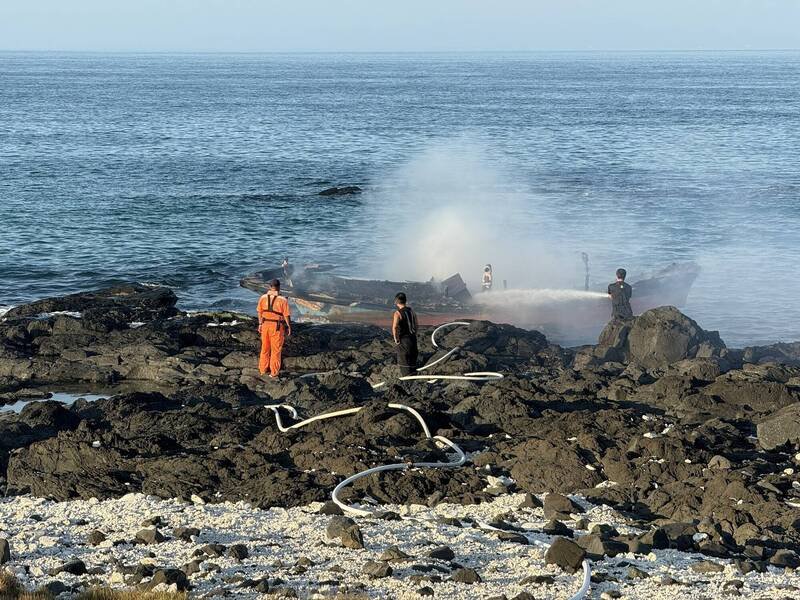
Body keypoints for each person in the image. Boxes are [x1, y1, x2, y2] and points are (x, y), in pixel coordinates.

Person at [257, 278, 292, 378]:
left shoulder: (263, 297)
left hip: (264, 325)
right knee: (276, 350)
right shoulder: (283, 300)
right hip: (276, 327)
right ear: (279, 287)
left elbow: (259, 311)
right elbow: (286, 315)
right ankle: (274, 373)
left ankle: (263, 370)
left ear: (269, 287)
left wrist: (260, 324)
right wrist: (289, 326)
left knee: (265, 348)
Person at [392, 292, 418, 376]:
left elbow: (395, 327)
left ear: (396, 301)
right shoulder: (412, 311)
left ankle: (408, 384)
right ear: (405, 301)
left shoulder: (397, 313)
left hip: (404, 341)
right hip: (413, 340)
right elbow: (416, 324)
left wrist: (396, 339)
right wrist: (414, 334)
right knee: (413, 364)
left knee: (405, 366)